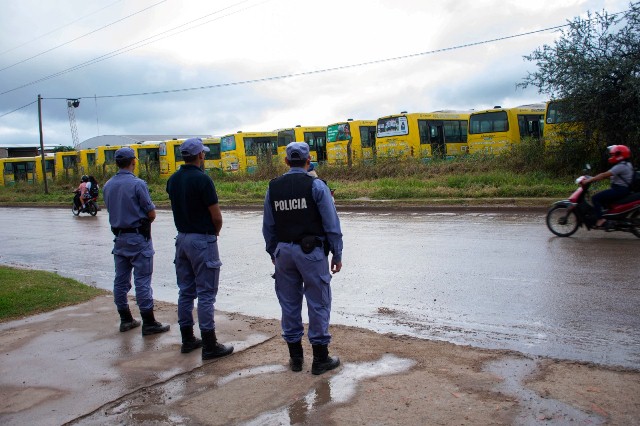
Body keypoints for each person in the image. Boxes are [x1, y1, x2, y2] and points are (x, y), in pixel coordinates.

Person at [262, 141, 344, 375]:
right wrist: (337, 253)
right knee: (318, 302)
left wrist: (273, 253)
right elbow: (332, 225)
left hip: (283, 253)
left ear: (287, 161)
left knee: (289, 303)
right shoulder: (316, 186)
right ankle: (320, 359)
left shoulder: (273, 188)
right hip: (311, 253)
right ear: (309, 161)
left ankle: (295, 359)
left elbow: (268, 227)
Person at [166, 138, 234, 360]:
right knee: (206, 293)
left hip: (182, 238)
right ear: (200, 156)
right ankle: (209, 344)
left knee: (186, 291)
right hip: (201, 240)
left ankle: (187, 338)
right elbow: (216, 216)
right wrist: (214, 233)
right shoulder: (203, 180)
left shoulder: (173, 180)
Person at [102, 147, 170, 336]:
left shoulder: (108, 185)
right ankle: (148, 322)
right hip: (138, 237)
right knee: (142, 280)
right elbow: (151, 213)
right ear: (134, 161)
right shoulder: (138, 184)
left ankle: (125, 319)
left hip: (119, 238)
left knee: (120, 280)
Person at [582, 145, 634, 228]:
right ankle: (607, 217)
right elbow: (607, 175)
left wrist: (589, 180)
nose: (612, 157)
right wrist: (594, 178)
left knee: (595, 198)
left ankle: (600, 220)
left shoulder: (621, 166)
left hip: (619, 190)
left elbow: (604, 174)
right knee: (603, 200)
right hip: (622, 189)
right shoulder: (627, 164)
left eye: (613, 155)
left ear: (620, 155)